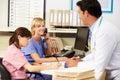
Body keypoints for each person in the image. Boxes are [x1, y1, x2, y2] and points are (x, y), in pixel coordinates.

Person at [66, 0, 120, 80]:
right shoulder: (98, 28)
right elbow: (96, 54)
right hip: (108, 74)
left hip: (115, 75)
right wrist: (81, 60)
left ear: (86, 13)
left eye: (79, 13)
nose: (79, 16)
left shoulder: (104, 31)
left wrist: (77, 65)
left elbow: (99, 65)